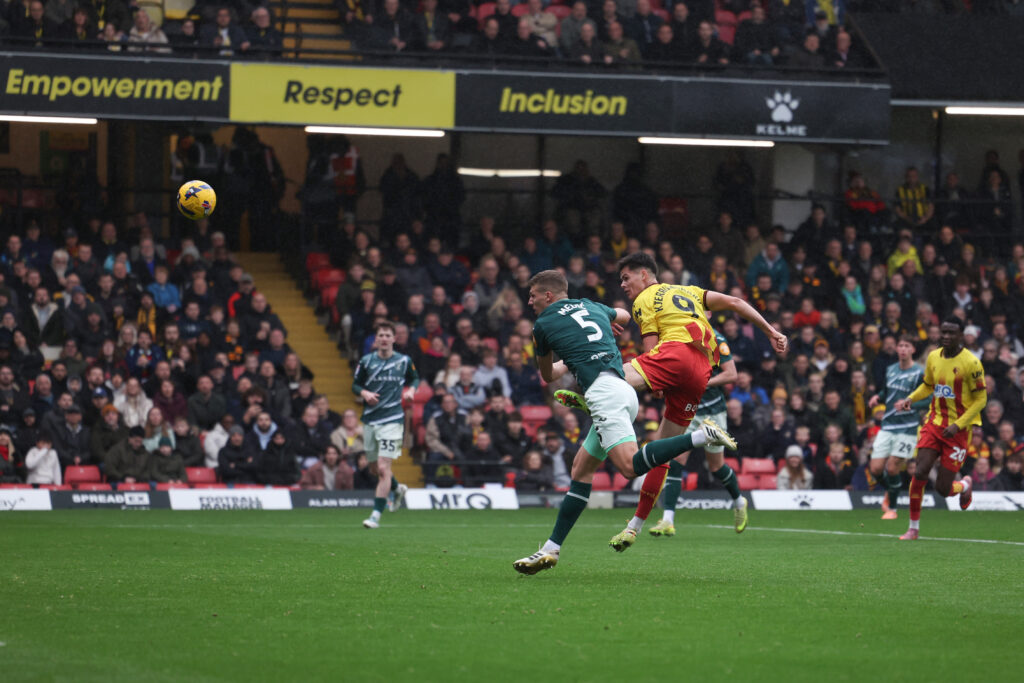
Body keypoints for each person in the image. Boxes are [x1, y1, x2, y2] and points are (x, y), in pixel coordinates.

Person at [513, 270, 736, 575]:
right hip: (624, 388)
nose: (530, 301)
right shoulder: (592, 306)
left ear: (548, 296)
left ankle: (700, 437)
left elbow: (549, 376)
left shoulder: (543, 325)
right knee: (581, 469)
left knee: (630, 466)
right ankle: (550, 549)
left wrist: (569, 356)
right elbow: (623, 315)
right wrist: (608, 325)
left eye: (533, 295)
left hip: (606, 395)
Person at [596, 252, 786, 550]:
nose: (623, 284)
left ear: (644, 275)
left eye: (626, 277)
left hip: (675, 354)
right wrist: (772, 331)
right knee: (661, 452)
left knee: (606, 378)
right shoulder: (689, 292)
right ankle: (634, 527)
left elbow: (650, 352)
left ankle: (585, 400)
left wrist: (654, 385)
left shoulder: (644, 300)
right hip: (701, 372)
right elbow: (736, 302)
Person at [893, 318, 986, 540]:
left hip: (958, 430)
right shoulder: (934, 357)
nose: (945, 336)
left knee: (944, 489)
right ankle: (913, 528)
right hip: (934, 423)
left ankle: (964, 486)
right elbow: (928, 385)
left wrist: (959, 424)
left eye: (951, 333)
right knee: (920, 471)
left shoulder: (972, 363)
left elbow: (981, 399)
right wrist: (911, 399)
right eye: (943, 332)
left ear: (961, 335)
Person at [647, 327, 742, 538]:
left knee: (716, 466)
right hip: (687, 407)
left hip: (713, 410)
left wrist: (702, 382)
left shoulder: (717, 338)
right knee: (676, 459)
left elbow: (731, 374)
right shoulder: (679, 334)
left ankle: (738, 501)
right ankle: (668, 519)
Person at [352, 321, 418, 528]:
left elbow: (414, 379)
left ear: (394, 339)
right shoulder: (366, 361)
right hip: (370, 420)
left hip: (392, 420)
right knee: (374, 469)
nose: (384, 338)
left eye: (388, 335)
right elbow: (355, 385)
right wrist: (365, 393)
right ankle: (397, 489)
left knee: (383, 467)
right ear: (376, 339)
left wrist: (411, 391)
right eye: (380, 335)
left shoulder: (404, 361)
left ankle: (375, 516)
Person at [866, 335, 926, 520]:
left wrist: (911, 405)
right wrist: (879, 397)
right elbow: (888, 391)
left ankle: (892, 508)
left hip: (907, 427)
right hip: (888, 425)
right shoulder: (891, 369)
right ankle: (890, 491)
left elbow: (930, 398)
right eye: (900, 345)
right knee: (875, 469)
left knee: (892, 468)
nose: (902, 349)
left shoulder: (920, 372)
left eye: (907, 345)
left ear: (913, 350)